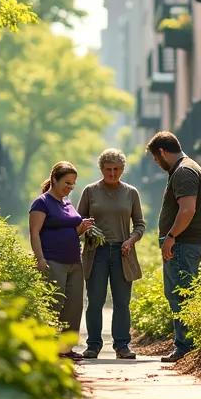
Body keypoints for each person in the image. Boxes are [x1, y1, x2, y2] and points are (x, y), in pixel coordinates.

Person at [147, 131, 201, 363]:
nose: (157, 163)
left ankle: (185, 348)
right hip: (184, 243)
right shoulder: (188, 168)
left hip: (183, 244)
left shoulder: (184, 172)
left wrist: (171, 236)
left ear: (163, 152)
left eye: (156, 158)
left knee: (181, 295)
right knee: (182, 293)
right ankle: (186, 346)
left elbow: (187, 210)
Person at [76, 149, 146, 360]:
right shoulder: (90, 191)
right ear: (102, 169)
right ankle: (93, 345)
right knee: (95, 300)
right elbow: (77, 222)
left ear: (123, 169)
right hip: (96, 251)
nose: (112, 173)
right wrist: (87, 230)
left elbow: (140, 224)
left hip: (122, 252)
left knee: (122, 301)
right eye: (108, 169)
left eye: (116, 169)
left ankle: (122, 345)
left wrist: (131, 240)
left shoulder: (131, 192)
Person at [28, 161, 91, 359]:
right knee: (54, 304)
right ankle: (48, 349)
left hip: (74, 261)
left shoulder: (68, 203)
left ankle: (66, 349)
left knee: (74, 306)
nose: (69, 187)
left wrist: (81, 229)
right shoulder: (42, 202)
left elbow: (70, 230)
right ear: (54, 178)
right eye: (66, 182)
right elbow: (34, 232)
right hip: (53, 261)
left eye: (72, 184)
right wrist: (40, 258)